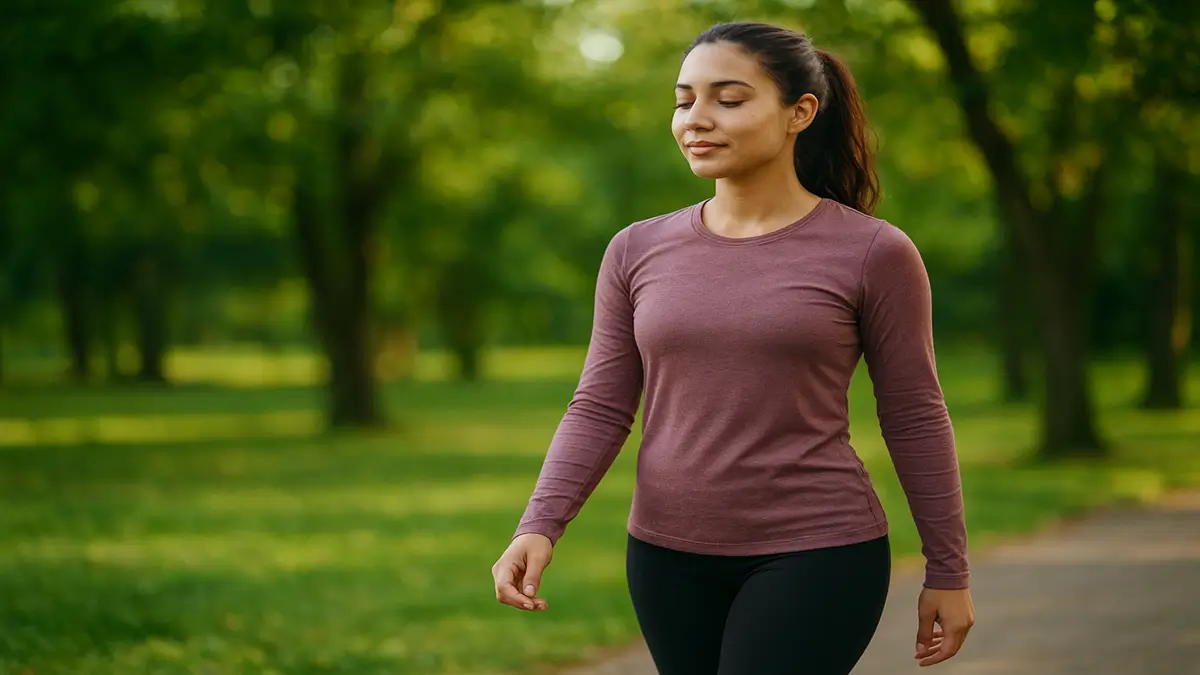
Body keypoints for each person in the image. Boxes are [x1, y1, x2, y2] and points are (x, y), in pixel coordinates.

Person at [490, 20, 975, 674]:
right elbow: (600, 404)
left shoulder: (873, 252)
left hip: (817, 551)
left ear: (799, 112)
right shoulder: (636, 249)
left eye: (729, 98)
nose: (697, 118)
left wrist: (948, 568)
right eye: (684, 98)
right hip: (663, 555)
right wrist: (538, 524)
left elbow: (914, 412)